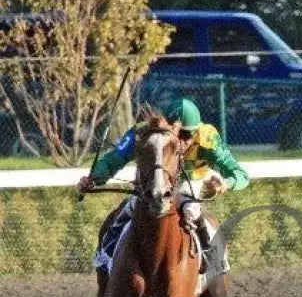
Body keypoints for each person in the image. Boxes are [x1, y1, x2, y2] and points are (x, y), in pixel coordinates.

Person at [77, 98, 248, 278]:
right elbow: (113, 160)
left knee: (190, 208)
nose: (182, 142)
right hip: (155, 183)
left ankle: (211, 256)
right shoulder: (143, 132)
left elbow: (241, 175)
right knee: (133, 204)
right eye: (177, 134)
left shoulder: (207, 138)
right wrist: (95, 178)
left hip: (188, 183)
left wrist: (227, 183)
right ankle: (107, 252)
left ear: (196, 131)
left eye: (187, 136)